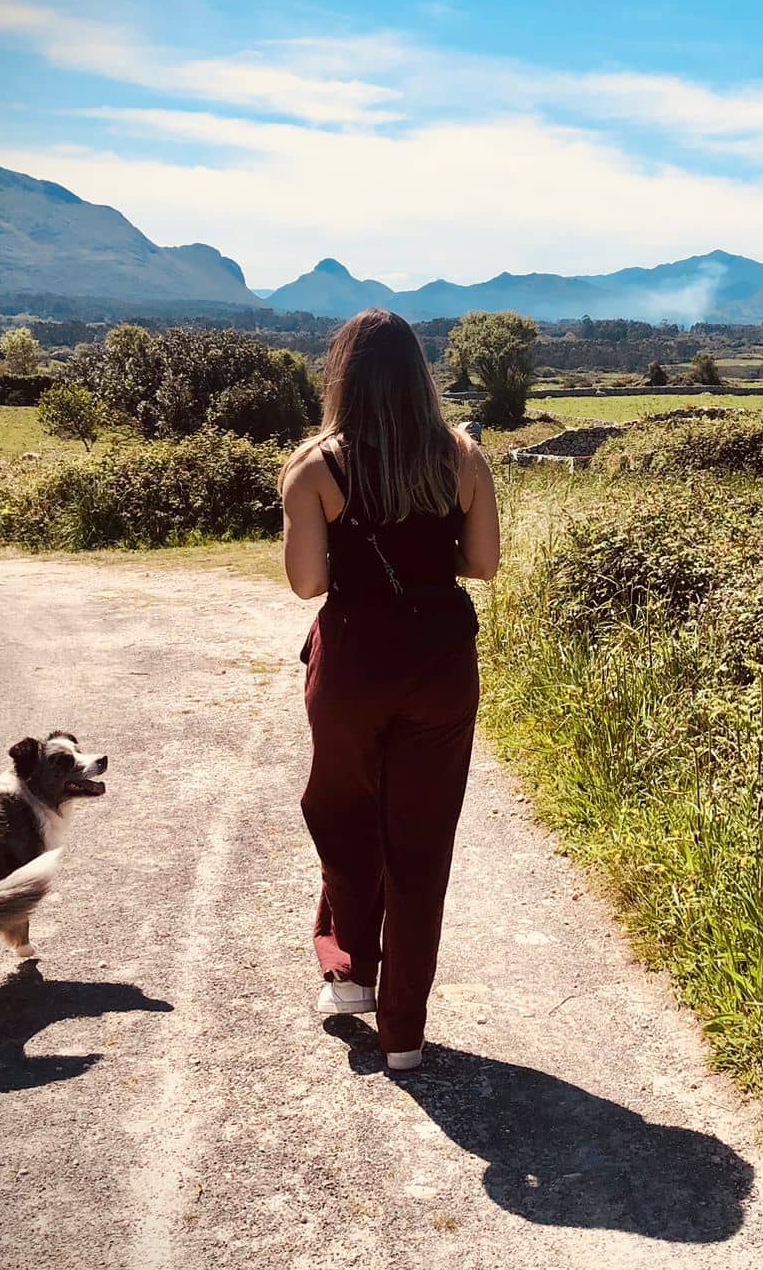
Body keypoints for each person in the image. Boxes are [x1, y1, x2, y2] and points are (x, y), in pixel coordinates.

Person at [278, 309, 500, 1071]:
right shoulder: (463, 457)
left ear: (342, 377)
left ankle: (350, 974)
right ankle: (403, 1032)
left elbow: (308, 583)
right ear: (418, 376)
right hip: (441, 663)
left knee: (342, 814)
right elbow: (484, 564)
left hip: (353, 661)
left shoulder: (314, 467)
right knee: (421, 841)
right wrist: (428, 558)